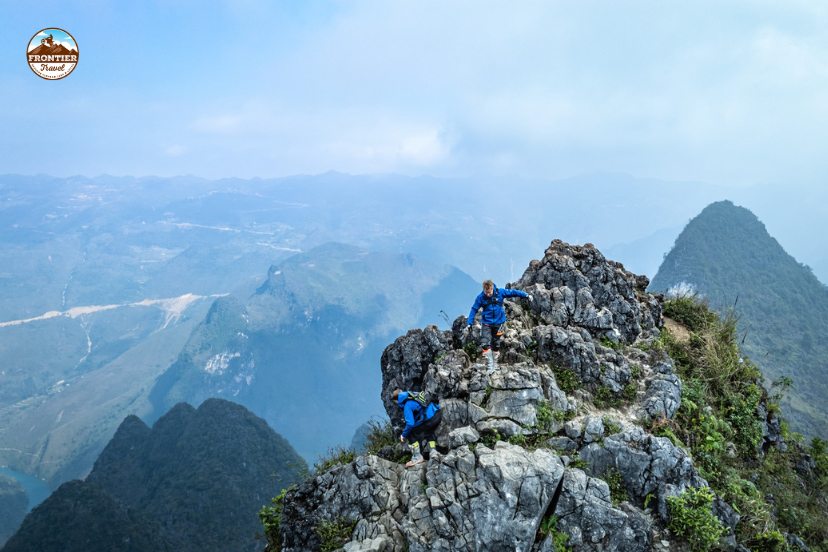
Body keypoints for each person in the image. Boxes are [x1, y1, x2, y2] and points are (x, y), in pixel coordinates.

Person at [467, 280, 530, 372]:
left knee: (496, 343)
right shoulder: (480, 298)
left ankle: (495, 363)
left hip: (499, 322)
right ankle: (490, 364)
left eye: (489, 292)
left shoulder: (500, 292)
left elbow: (512, 292)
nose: (488, 294)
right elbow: (474, 309)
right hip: (487, 323)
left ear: (492, 288)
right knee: (484, 343)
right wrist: (469, 323)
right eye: (486, 292)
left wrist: (525, 295)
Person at [392, 389, 442, 467]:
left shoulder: (407, 405)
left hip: (430, 418)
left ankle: (417, 456)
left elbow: (410, 424)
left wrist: (403, 435)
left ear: (397, 400)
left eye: (395, 402)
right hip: (437, 414)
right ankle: (433, 452)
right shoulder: (414, 395)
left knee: (410, 432)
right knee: (429, 431)